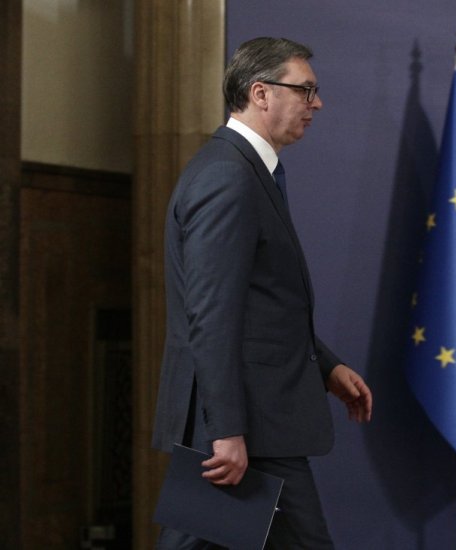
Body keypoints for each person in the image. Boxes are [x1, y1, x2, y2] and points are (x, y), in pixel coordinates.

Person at [152, 37, 373, 549]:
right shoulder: (228, 177)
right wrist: (226, 431)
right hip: (246, 425)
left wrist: (325, 367)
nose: (317, 103)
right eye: (306, 90)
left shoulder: (248, 170)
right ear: (261, 93)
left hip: (253, 420)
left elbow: (262, 306)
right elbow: (211, 315)